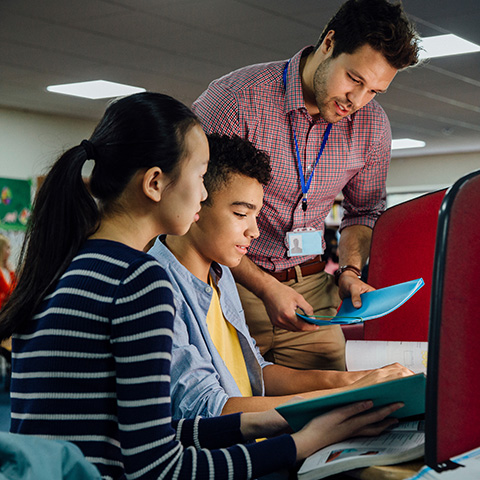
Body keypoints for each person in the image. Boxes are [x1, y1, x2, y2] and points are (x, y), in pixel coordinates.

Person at [0, 92, 404, 479]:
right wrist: (300, 443)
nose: (205, 191)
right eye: (200, 175)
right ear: (155, 183)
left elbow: (153, 437)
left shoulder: (70, 262)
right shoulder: (140, 279)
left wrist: (277, 419)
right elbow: (160, 469)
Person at [192, 0, 420, 371]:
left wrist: (349, 272)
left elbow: (362, 212)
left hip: (313, 291)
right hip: (231, 283)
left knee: (343, 409)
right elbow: (193, 212)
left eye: (374, 92)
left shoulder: (372, 127)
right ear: (328, 43)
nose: (357, 101)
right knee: (236, 410)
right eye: (355, 80)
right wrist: (266, 288)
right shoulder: (236, 100)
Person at [149, 133, 412, 420]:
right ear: (196, 201)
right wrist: (351, 394)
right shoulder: (158, 289)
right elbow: (208, 409)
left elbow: (255, 374)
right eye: (240, 214)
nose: (255, 232)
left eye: (256, 216)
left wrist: (351, 380)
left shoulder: (221, 274)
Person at [0, 234, 16, 310]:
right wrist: (12, 273)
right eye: (8, 248)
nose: (10, 251)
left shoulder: (7, 268)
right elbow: (10, 293)